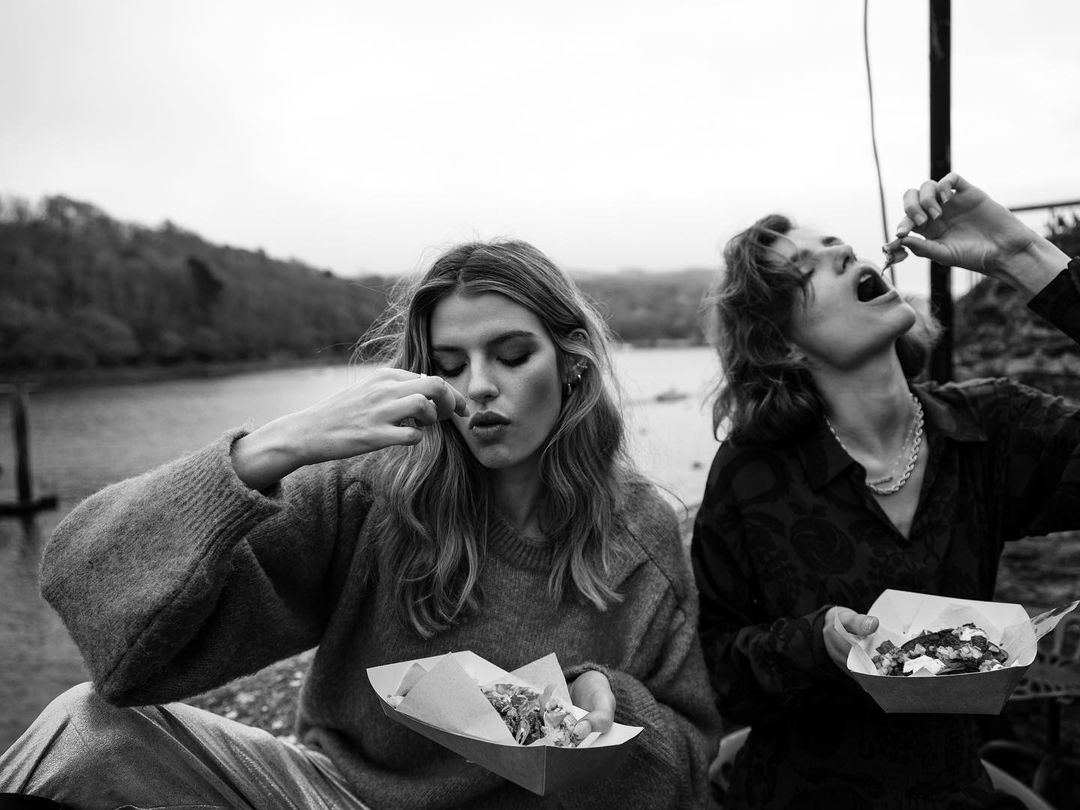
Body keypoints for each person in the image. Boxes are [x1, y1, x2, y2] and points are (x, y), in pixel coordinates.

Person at [0, 240, 720, 809]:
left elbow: (690, 758)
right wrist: (274, 447)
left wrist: (607, 703)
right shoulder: (372, 491)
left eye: (511, 356)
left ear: (571, 364)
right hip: (335, 797)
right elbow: (89, 595)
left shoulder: (639, 530)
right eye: (450, 365)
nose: (478, 387)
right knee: (82, 731)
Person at [690, 172, 1080, 809]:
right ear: (782, 342)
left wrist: (1022, 255)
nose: (845, 252)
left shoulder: (989, 428)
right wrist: (814, 643)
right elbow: (712, 669)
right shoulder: (751, 471)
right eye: (805, 270)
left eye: (837, 244)